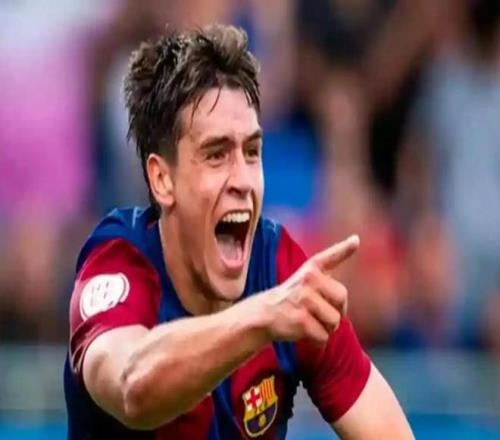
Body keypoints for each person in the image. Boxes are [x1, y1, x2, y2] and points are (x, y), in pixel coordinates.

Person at [64, 24, 412, 439]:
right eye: (216, 155)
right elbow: (133, 388)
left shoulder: (278, 269)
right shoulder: (118, 263)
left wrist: (272, 310)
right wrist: (263, 318)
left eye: (251, 152)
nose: (243, 180)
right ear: (161, 179)